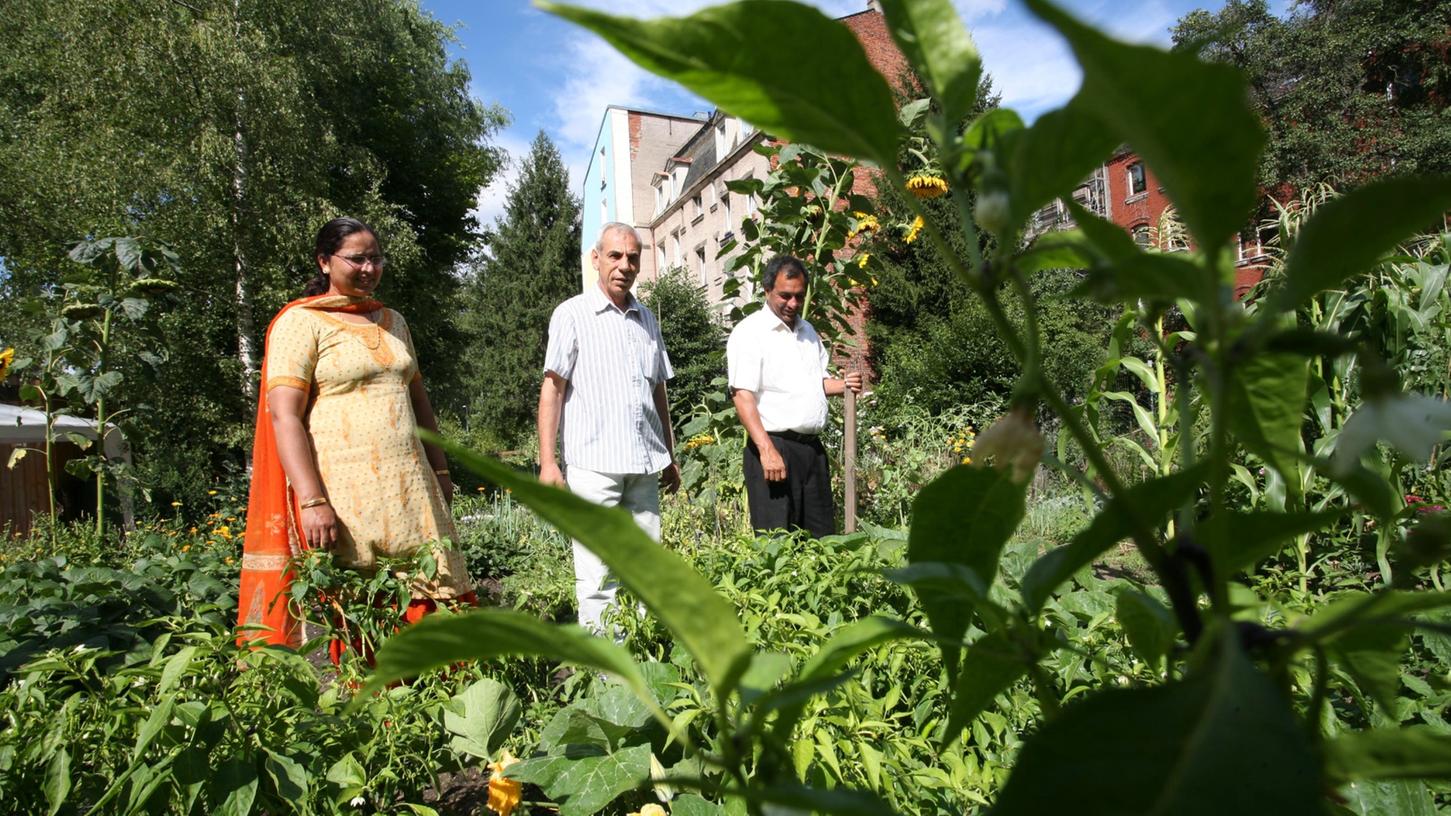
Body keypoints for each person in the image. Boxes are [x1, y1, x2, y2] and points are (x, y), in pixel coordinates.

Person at [236, 216, 474, 655]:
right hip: (346, 498)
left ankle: (440, 712)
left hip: (413, 492)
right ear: (325, 261)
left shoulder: (393, 321)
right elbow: (283, 416)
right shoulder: (301, 323)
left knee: (437, 593)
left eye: (376, 259)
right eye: (357, 259)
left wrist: (441, 469)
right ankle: (376, 714)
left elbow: (419, 401)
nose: (369, 269)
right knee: (366, 610)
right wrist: (312, 501)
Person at [537, 222, 679, 634]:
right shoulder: (572, 314)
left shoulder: (647, 319)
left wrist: (669, 456)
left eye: (633, 257)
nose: (625, 265)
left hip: (643, 464)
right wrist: (549, 464)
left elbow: (658, 393)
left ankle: (642, 653)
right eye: (615, 256)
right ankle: (606, 672)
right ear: (596, 259)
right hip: (594, 463)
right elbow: (553, 389)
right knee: (598, 572)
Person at [727, 255, 863, 538]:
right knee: (776, 544)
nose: (792, 304)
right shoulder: (750, 332)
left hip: (811, 453)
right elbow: (742, 395)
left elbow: (813, 384)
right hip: (774, 450)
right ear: (767, 290)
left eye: (799, 296)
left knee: (822, 540)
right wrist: (766, 450)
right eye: (785, 296)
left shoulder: (808, 332)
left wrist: (843, 385)